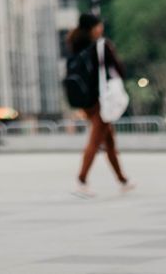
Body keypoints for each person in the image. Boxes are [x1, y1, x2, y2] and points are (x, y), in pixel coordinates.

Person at [64, 13, 132, 198]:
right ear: (94, 28)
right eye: (99, 26)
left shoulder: (75, 45)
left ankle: (122, 180)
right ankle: (81, 180)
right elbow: (119, 69)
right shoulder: (101, 47)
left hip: (86, 101)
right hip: (101, 100)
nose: (101, 28)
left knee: (108, 140)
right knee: (95, 141)